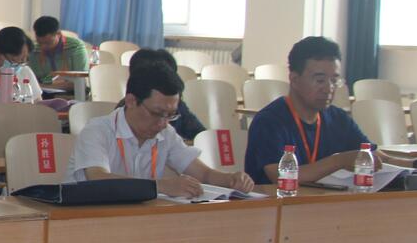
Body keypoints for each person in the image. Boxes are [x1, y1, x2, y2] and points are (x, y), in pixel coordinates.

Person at [67, 65, 255, 197]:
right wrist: (159, 186)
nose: (163, 123)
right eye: (157, 113)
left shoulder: (165, 133)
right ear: (131, 101)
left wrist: (231, 179)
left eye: (171, 115)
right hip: (87, 218)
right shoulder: (97, 130)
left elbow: (203, 174)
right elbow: (98, 179)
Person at [246, 36, 374, 185]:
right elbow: (281, 176)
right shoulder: (269, 121)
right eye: (320, 80)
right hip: (278, 198)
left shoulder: (338, 118)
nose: (328, 89)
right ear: (294, 80)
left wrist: (393, 162)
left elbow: (372, 154)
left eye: (334, 80)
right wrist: (338, 161)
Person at [125, 49, 204, 142]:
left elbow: (200, 135)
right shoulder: (125, 112)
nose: (164, 124)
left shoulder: (178, 107)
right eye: (156, 113)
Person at [28, 15, 88, 88]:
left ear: (58, 34)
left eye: (48, 43)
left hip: (73, 91)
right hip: (44, 91)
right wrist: (48, 82)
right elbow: (35, 79)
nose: (43, 47)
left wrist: (45, 85)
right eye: (39, 43)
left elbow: (81, 79)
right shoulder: (34, 50)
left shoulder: (76, 47)